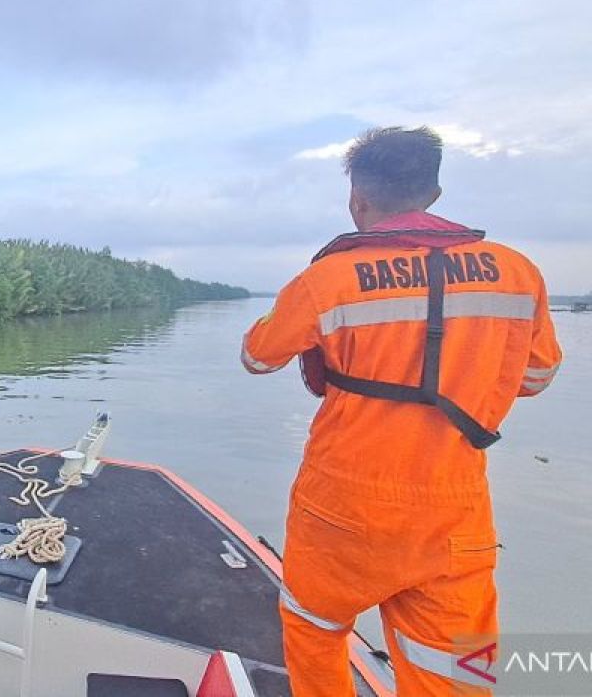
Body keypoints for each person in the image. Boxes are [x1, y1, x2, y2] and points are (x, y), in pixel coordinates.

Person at [241, 127, 562, 696]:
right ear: (434, 195)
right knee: (451, 670)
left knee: (315, 631)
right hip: (453, 509)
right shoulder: (517, 272)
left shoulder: (328, 278)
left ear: (356, 200)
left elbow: (257, 359)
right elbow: (535, 377)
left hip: (341, 502)